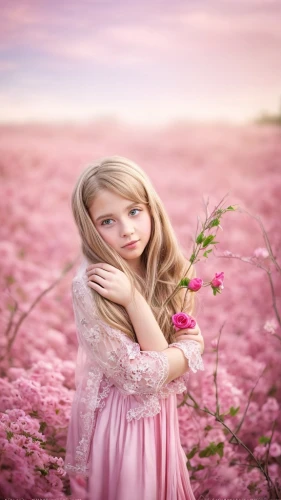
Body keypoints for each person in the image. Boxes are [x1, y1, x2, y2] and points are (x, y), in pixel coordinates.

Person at [64, 155, 204, 500]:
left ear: (152, 209)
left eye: (134, 212)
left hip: (160, 425)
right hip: (123, 429)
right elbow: (144, 377)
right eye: (107, 221)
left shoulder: (174, 270)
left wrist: (180, 354)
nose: (126, 229)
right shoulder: (93, 285)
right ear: (89, 228)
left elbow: (160, 366)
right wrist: (188, 351)